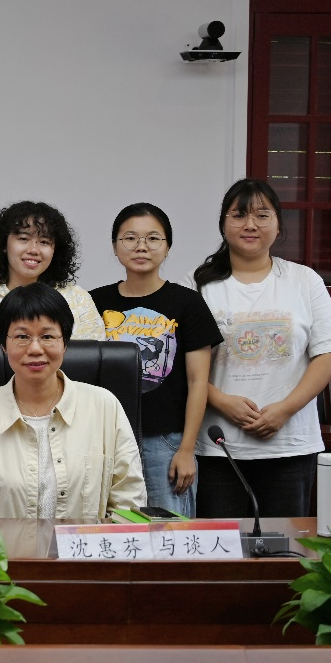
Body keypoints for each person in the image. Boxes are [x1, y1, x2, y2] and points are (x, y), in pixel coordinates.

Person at [181, 179, 331, 518]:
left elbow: (327, 355)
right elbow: (180, 363)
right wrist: (221, 401)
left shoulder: (304, 281)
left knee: (286, 545)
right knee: (221, 546)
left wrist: (285, 409)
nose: (250, 224)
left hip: (291, 445)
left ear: (278, 225)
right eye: (239, 215)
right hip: (218, 447)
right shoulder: (196, 285)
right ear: (223, 224)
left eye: (262, 215)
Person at [0, 283, 145, 520]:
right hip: (0, 546)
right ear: (3, 345)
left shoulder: (104, 406)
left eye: (47, 336)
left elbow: (129, 502)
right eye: (22, 336)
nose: (35, 349)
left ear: (65, 343)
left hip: (87, 545)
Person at [89, 203, 221, 516]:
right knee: (106, 527)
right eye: (130, 238)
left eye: (152, 238)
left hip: (166, 440)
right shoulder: (93, 302)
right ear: (115, 246)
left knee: (169, 532)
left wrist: (186, 449)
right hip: (104, 438)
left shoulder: (187, 302)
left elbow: (198, 382)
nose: (141, 246)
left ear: (167, 246)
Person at [0, 201, 105, 341]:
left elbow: (91, 353)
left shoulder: (78, 299)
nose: (33, 250)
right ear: (3, 244)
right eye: (24, 239)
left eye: (44, 242)